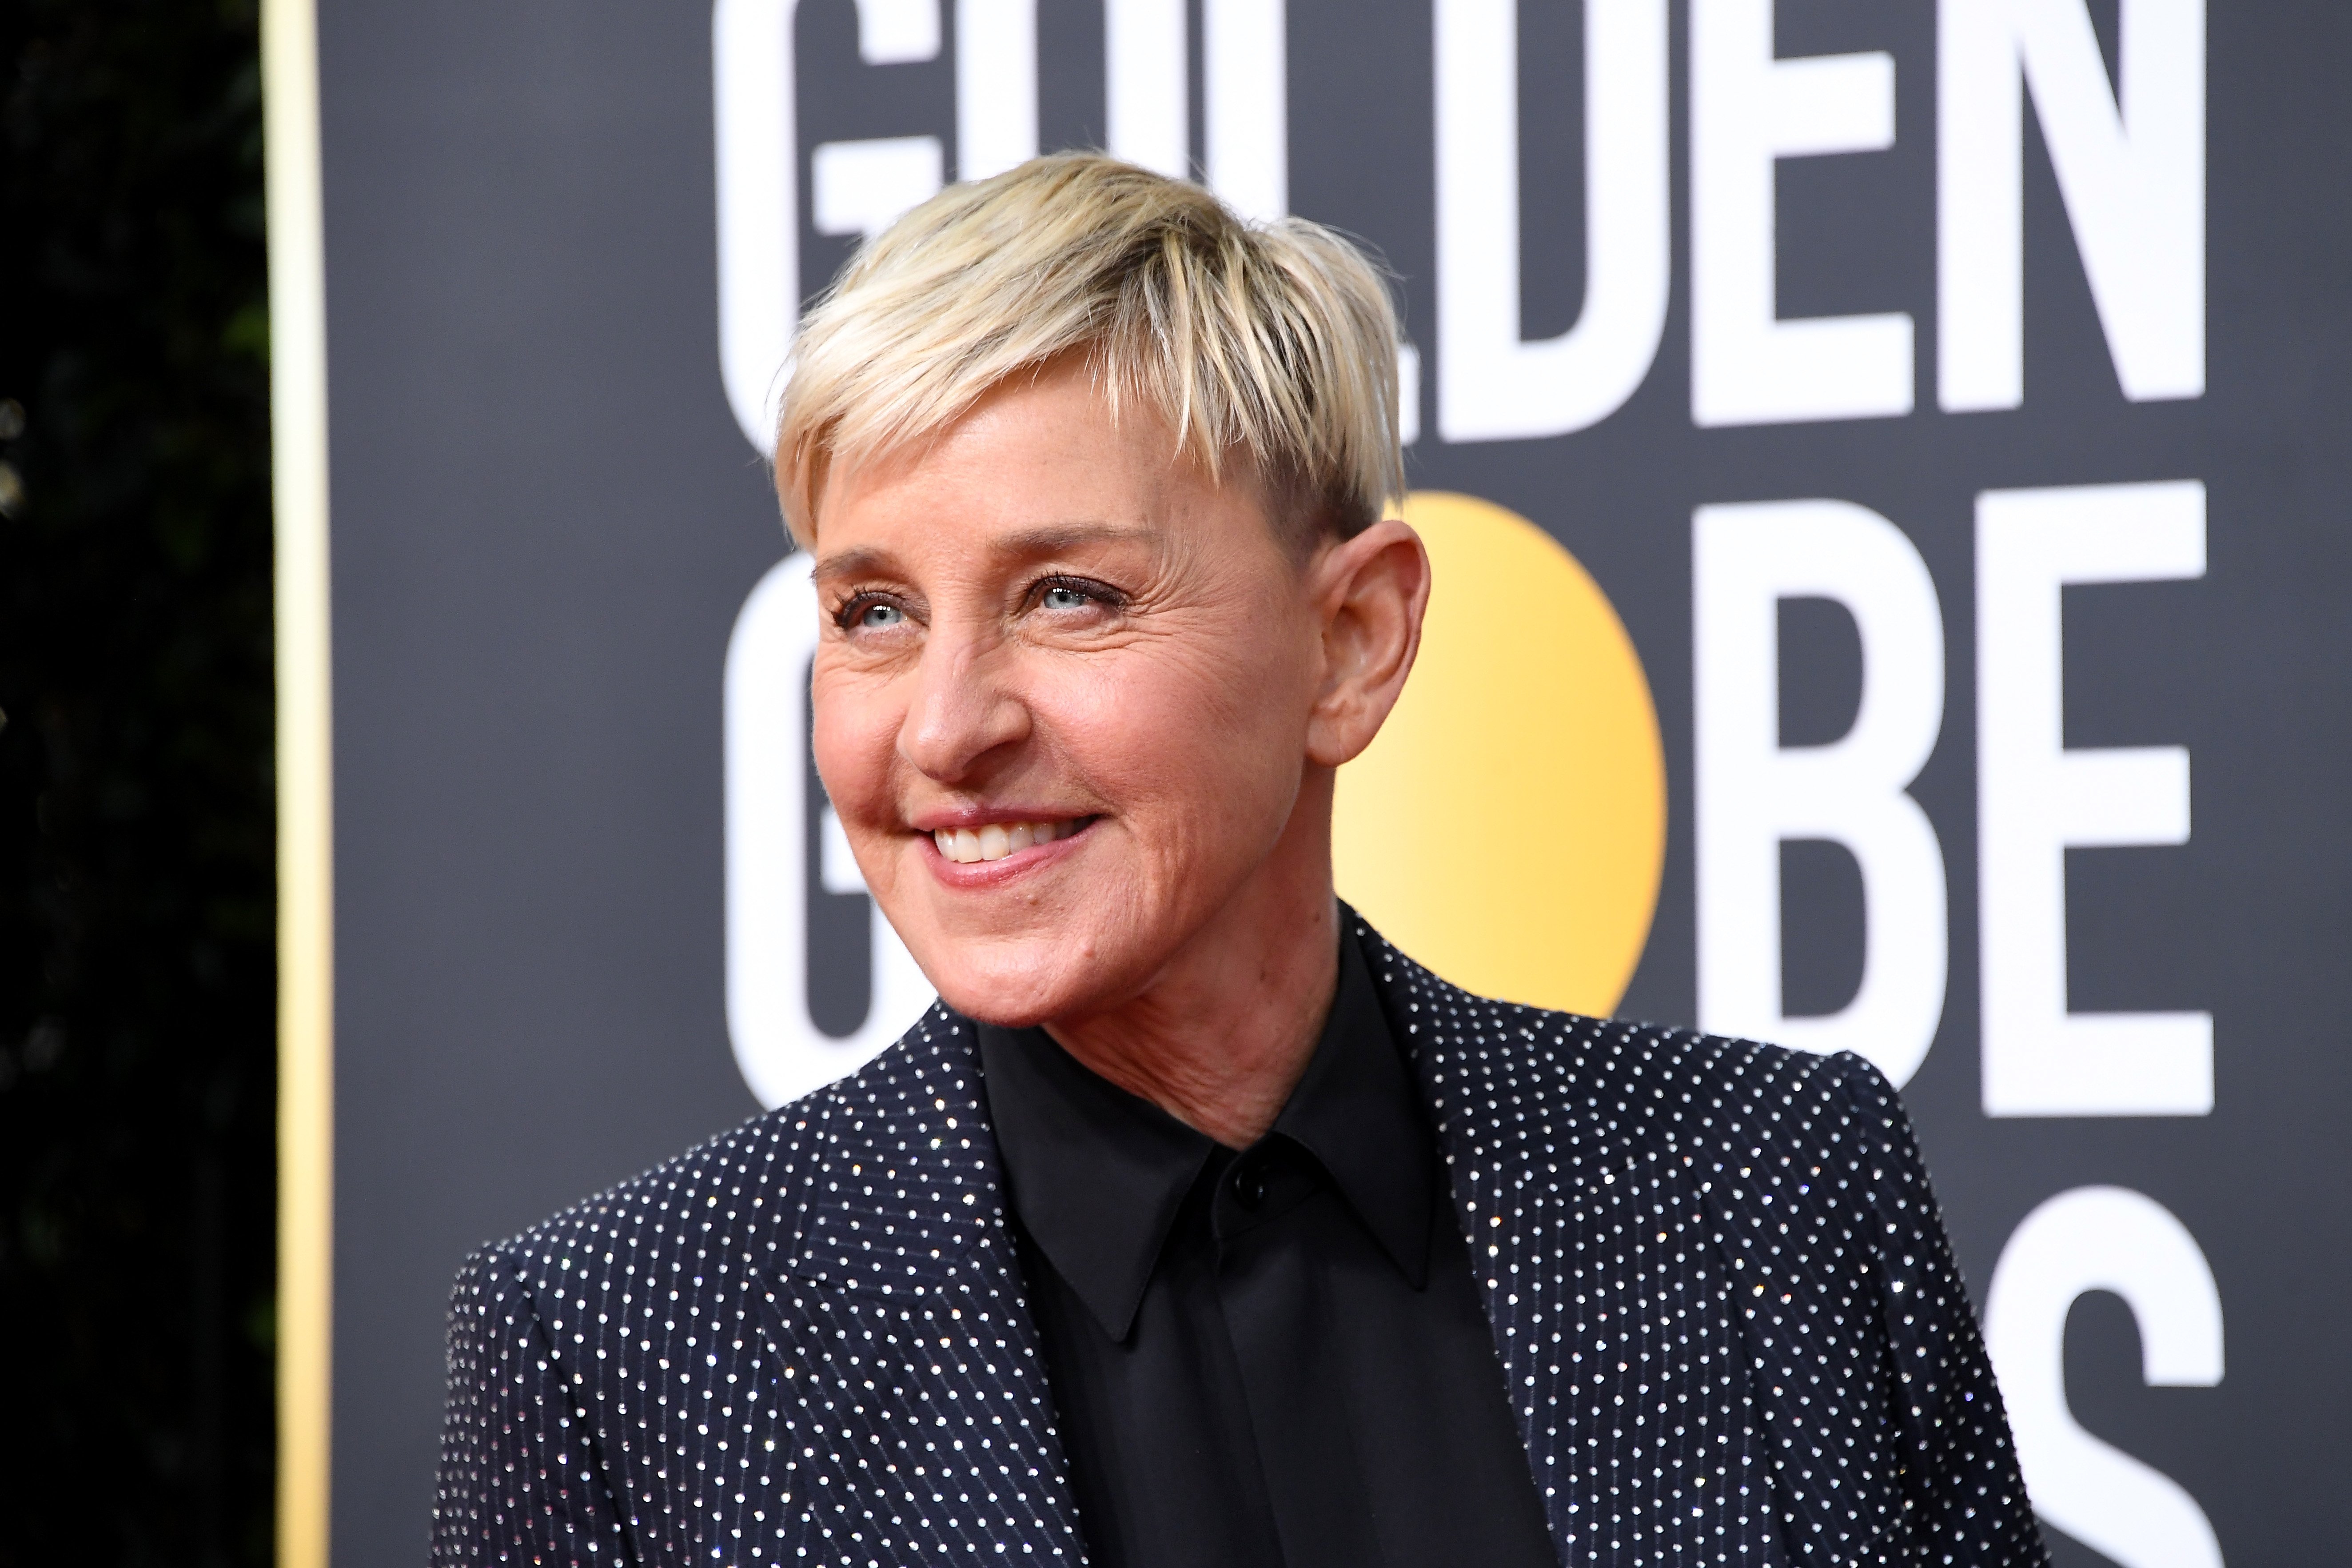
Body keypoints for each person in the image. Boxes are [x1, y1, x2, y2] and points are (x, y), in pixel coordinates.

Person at [431, 153, 2045, 1568]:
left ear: (1352, 639)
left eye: (1068, 593)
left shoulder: (1777, 1192)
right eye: (874, 611)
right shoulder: (618, 1357)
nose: (943, 728)